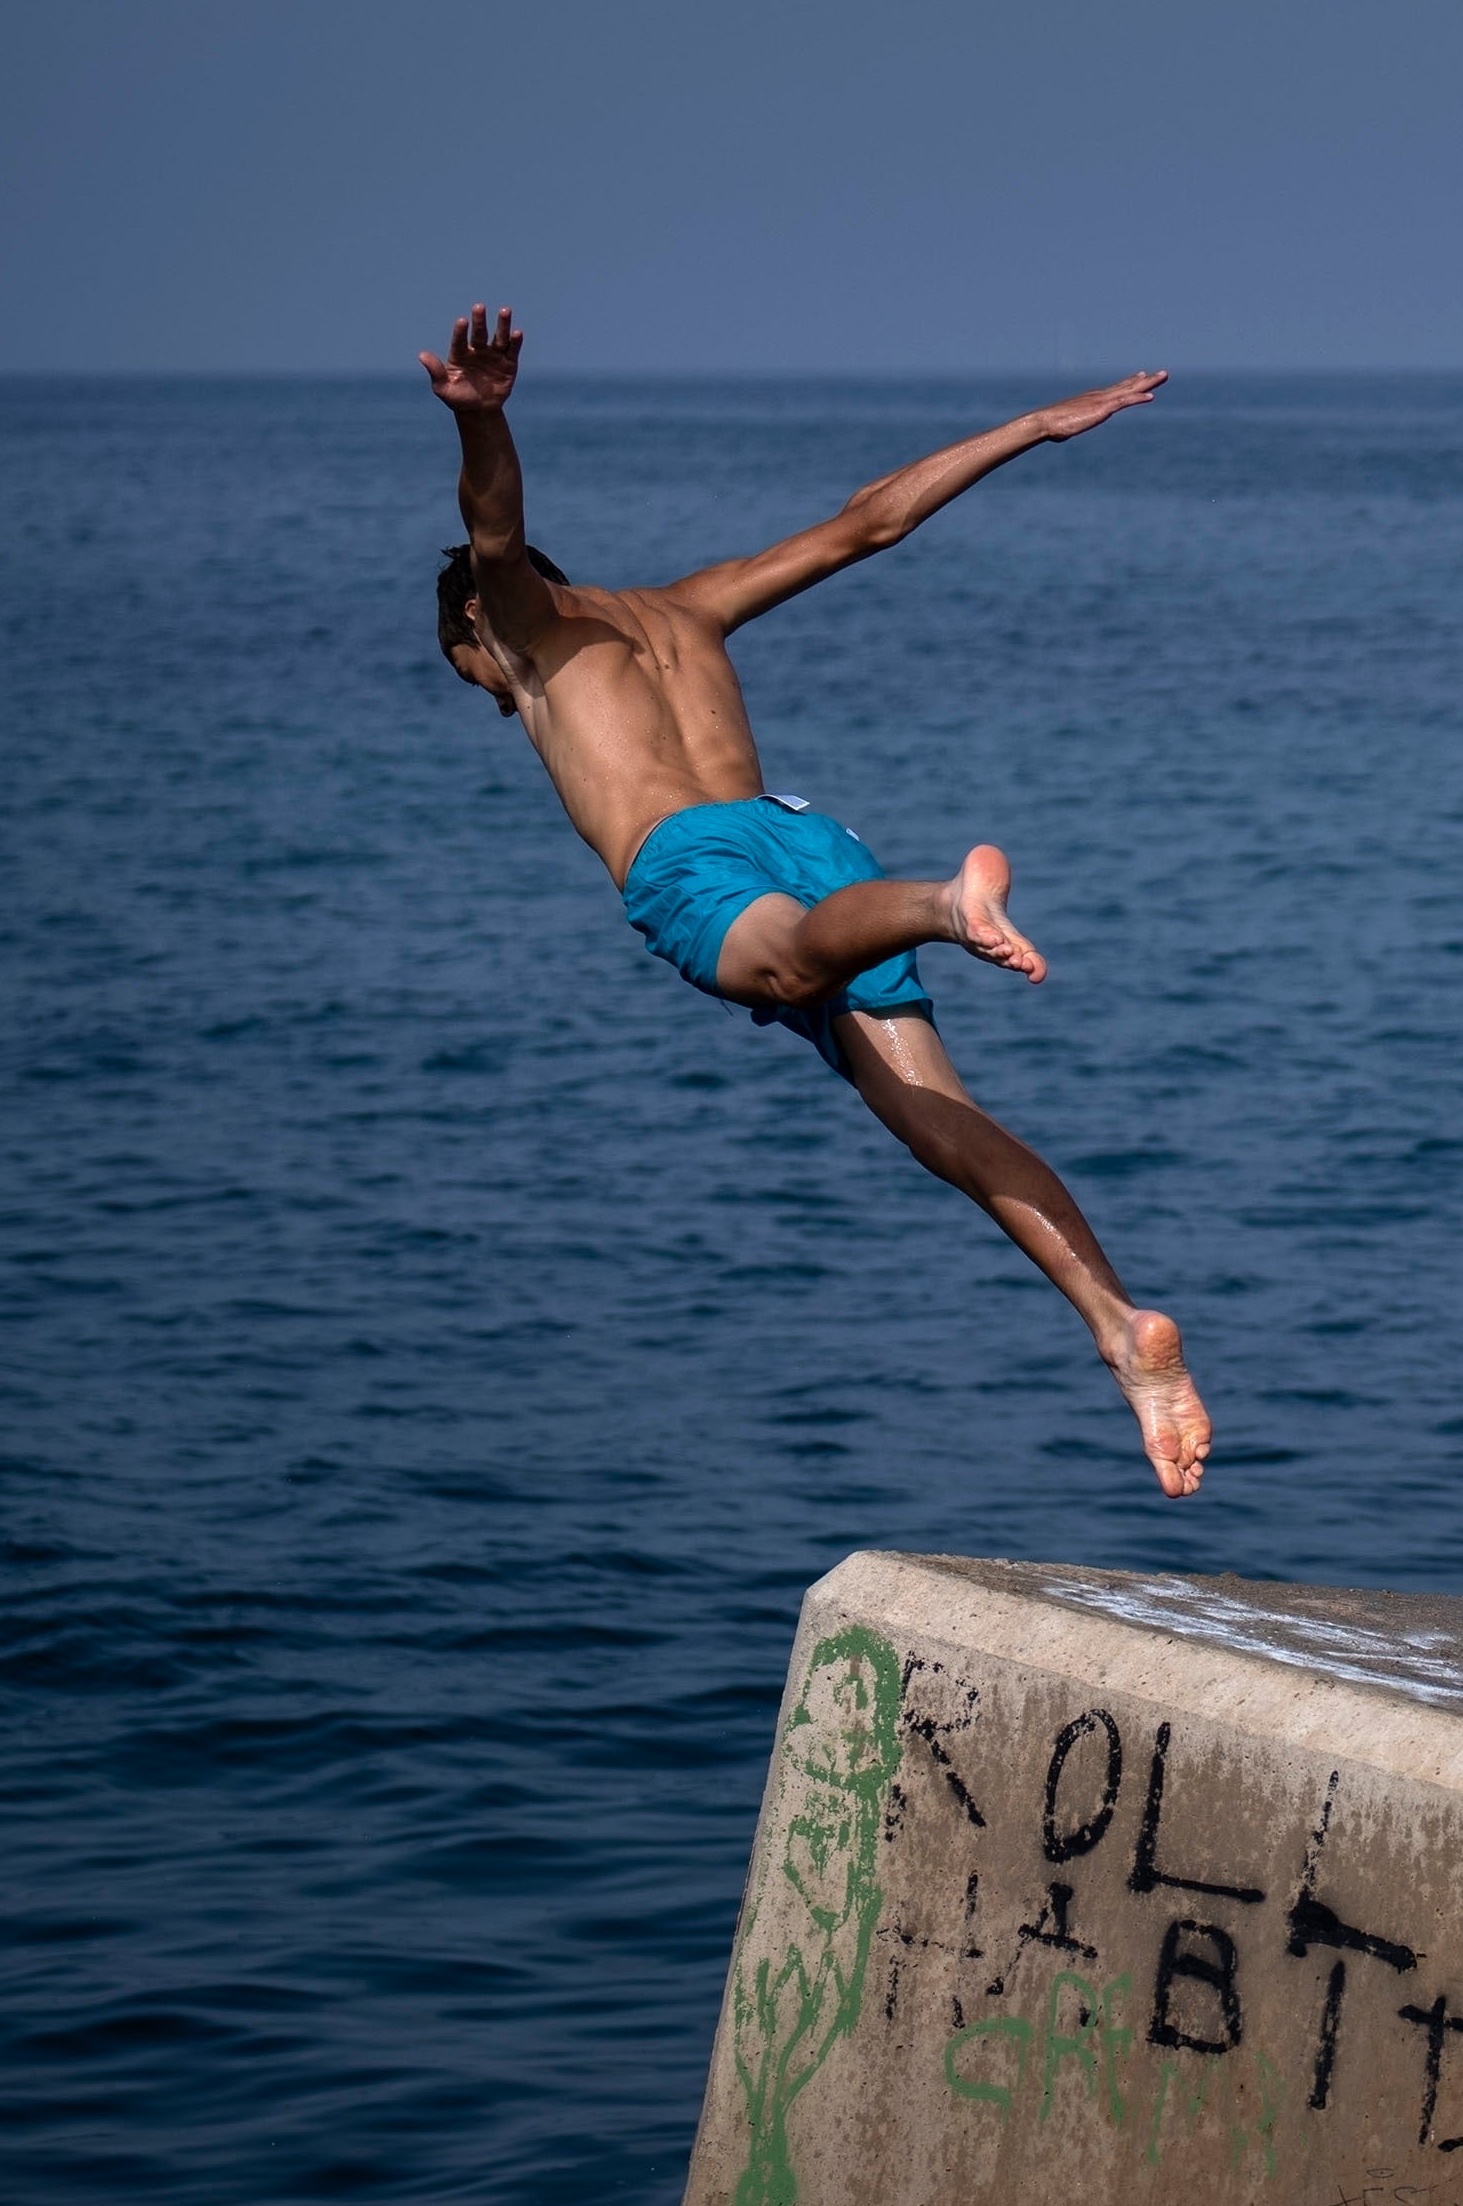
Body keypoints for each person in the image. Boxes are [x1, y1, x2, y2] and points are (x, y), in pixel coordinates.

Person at [422, 307, 1211, 1496]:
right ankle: (1117, 1327)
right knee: (936, 1119)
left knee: (788, 965)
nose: (489, 693)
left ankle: (944, 906)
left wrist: (486, 424)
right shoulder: (692, 607)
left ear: (479, 628)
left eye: (472, 674)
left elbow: (493, 533)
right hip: (810, 841)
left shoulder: (519, 623)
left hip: (700, 863)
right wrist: (1036, 425)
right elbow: (870, 524)